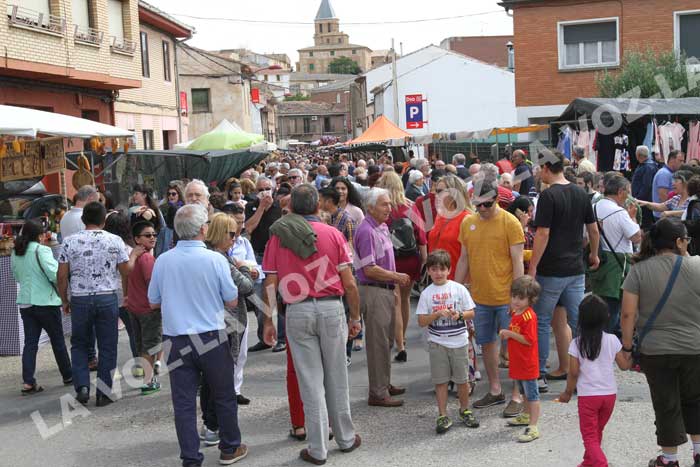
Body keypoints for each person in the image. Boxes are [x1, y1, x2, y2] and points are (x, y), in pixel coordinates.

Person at [260, 184, 362, 465]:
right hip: (331, 308)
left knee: (310, 381)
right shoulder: (333, 234)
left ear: (291, 207)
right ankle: (345, 437)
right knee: (337, 376)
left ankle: (317, 449)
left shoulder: (278, 236)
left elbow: (270, 282)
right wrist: (355, 317)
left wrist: (268, 320)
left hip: (297, 310)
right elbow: (350, 283)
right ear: (318, 206)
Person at [148, 204, 247, 466]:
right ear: (203, 229)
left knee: (183, 402)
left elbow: (153, 301)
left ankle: (191, 457)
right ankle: (230, 447)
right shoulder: (215, 260)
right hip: (211, 335)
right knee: (223, 394)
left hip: (176, 338)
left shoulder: (163, 260)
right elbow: (232, 300)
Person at [621, 218, 700, 467]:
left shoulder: (639, 270)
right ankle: (698, 452)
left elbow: (628, 314)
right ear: (678, 241)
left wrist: (627, 348)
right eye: (686, 239)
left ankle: (669, 459)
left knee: (666, 404)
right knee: (696, 399)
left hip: (655, 350)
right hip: (695, 346)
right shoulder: (698, 265)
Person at [528, 149, 600, 393]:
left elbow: (543, 233)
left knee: (542, 322)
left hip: (551, 270)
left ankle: (539, 374)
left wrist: (533, 266)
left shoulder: (548, 196)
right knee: (578, 322)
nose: (538, 172)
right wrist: (594, 254)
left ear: (547, 168)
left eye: (540, 168)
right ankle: (586, 373)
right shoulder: (581, 193)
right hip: (576, 269)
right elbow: (593, 230)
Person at [454, 175, 525, 417]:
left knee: (515, 347)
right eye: (478, 204)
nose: (482, 209)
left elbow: (518, 262)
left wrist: (518, 298)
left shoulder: (510, 222)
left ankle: (517, 394)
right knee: (486, 343)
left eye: (487, 204)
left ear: (497, 199)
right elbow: (464, 259)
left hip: (507, 298)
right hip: (480, 298)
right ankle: (495, 390)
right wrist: (455, 290)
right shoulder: (468, 223)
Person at [57, 202, 129, 407]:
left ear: (83, 219)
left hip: (80, 298)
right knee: (108, 345)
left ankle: (82, 387)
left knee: (79, 343)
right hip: (107, 297)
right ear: (104, 220)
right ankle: (103, 392)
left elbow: (61, 276)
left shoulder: (69, 242)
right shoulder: (115, 240)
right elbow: (125, 272)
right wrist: (126, 295)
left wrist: (64, 299)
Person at [558, 295, 631, 467]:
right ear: (606, 317)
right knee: (597, 431)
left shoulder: (576, 344)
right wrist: (631, 353)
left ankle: (600, 463)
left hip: (588, 397)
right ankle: (589, 462)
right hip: (609, 396)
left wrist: (567, 393)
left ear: (581, 318)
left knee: (589, 436)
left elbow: (573, 372)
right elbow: (624, 366)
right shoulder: (612, 340)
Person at [200, 213, 254, 446]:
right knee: (220, 381)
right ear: (221, 233)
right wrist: (245, 268)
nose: (235, 238)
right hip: (226, 323)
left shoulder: (206, 254)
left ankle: (209, 424)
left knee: (209, 379)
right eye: (232, 234)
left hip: (210, 322)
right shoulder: (220, 258)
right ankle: (214, 427)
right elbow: (246, 286)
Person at [353, 188, 411, 407]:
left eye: (389, 203)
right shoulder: (366, 230)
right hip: (373, 289)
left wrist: (393, 286)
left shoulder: (382, 226)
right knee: (378, 343)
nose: (389, 207)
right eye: (384, 204)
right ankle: (377, 392)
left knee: (386, 340)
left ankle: (384, 383)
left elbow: (387, 261)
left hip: (385, 288)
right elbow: (369, 269)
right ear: (370, 207)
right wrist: (397, 277)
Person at [417, 250, 479, 434]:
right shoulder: (426, 294)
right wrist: (436, 315)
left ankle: (465, 410)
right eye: (434, 269)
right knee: (441, 381)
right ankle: (442, 414)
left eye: (442, 269)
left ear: (449, 270)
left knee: (462, 380)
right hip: (437, 343)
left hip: (459, 342)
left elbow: (471, 312)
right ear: (429, 271)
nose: (438, 273)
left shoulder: (459, 289)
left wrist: (459, 315)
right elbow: (421, 321)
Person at [12, 218, 72, 394]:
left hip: (25, 302)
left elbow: (16, 276)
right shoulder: (42, 250)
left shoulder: (16, 252)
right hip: (46, 302)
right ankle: (68, 375)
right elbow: (54, 275)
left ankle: (28, 381)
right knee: (57, 340)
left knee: (30, 343)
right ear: (39, 236)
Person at [376, 172, 427, 364]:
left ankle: (398, 342)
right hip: (410, 258)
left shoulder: (380, 208)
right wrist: (424, 260)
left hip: (388, 259)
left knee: (394, 301)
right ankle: (401, 337)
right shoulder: (410, 206)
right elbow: (421, 235)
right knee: (404, 300)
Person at [589, 174, 641, 336]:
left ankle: (598, 340)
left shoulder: (593, 207)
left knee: (599, 305)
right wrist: (633, 218)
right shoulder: (619, 212)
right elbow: (636, 237)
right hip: (616, 265)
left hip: (598, 260)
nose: (629, 196)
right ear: (620, 191)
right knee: (612, 309)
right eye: (628, 192)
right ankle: (606, 342)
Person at [226, 204, 262, 405]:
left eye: (241, 222)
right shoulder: (216, 248)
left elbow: (255, 268)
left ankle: (235, 388)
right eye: (235, 222)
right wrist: (244, 271)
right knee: (225, 350)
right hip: (223, 304)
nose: (239, 227)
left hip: (240, 301)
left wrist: (253, 271)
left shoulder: (244, 243)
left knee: (241, 350)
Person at [245, 176, 284, 352]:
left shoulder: (280, 207)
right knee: (259, 299)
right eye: (260, 189)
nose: (264, 192)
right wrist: (260, 208)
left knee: (281, 296)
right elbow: (248, 228)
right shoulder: (250, 206)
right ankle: (265, 337)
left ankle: (281, 338)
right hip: (259, 257)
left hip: (278, 257)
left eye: (267, 188)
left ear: (274, 189)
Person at [500, 276, 541, 443]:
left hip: (527, 363)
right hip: (518, 362)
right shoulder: (516, 312)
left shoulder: (528, 316)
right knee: (524, 392)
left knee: (532, 395)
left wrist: (509, 334)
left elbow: (529, 340)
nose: (516, 301)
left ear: (531, 299)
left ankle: (533, 426)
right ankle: (526, 415)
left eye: (521, 298)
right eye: (514, 296)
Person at [126, 221, 162, 395]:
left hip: (134, 308)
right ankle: (147, 382)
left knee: (142, 345)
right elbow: (151, 284)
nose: (152, 238)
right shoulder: (146, 258)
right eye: (148, 235)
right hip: (148, 309)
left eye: (154, 234)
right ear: (137, 239)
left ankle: (145, 377)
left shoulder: (132, 256)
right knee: (150, 346)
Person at [427, 175, 472, 278]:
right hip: (437, 279)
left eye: (440, 191)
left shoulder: (467, 219)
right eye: (436, 191)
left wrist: (459, 284)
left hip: (457, 281)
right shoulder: (440, 216)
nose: (436, 195)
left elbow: (469, 258)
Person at [651, 150, 686, 219]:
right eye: (680, 161)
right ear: (672, 160)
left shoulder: (669, 173)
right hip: (663, 215)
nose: (682, 163)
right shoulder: (664, 174)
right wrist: (671, 212)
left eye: (683, 161)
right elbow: (663, 196)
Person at [632, 145, 659, 229]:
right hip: (644, 200)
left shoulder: (648, 167)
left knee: (645, 224)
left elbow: (646, 185)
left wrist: (638, 198)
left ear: (638, 155)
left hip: (644, 201)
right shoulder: (647, 165)